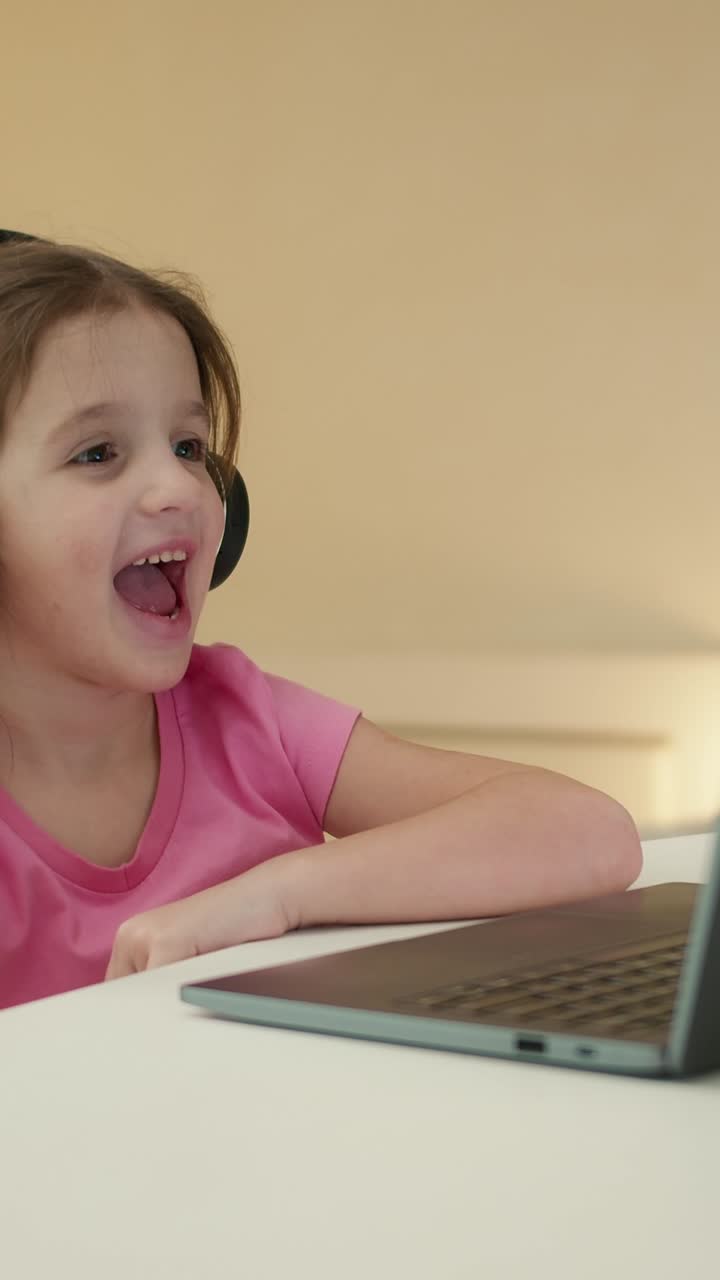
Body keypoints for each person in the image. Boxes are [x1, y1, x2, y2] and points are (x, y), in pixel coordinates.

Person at [0, 235, 642, 1009]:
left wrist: (280, 893)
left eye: (189, 445)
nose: (179, 486)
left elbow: (589, 832)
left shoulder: (246, 720)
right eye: (98, 452)